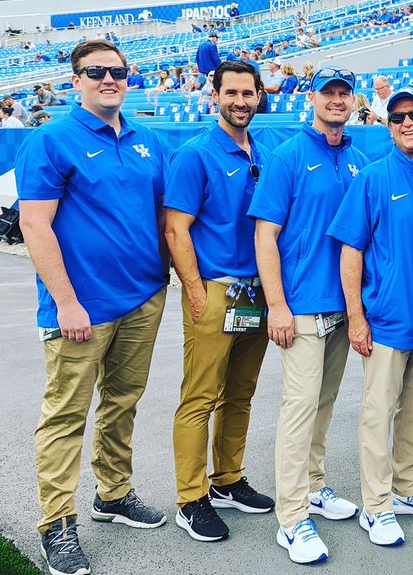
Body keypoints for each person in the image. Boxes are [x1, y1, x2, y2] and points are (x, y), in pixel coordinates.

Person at [15, 40, 169, 575]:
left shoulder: (148, 140)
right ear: (75, 80)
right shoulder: (52, 140)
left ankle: (113, 494)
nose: (110, 79)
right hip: (80, 308)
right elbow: (34, 224)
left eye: (119, 71)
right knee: (65, 415)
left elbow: (163, 217)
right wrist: (65, 302)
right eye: (97, 72)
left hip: (143, 296)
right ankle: (56, 526)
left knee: (123, 401)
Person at [327, 86, 413, 547]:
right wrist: (356, 316)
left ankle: (406, 488)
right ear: (388, 125)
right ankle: (376, 504)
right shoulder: (373, 177)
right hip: (386, 320)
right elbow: (350, 251)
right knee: (378, 414)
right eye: (398, 116)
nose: (408, 122)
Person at [249, 67, 369, 565]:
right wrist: (276, 304)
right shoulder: (288, 156)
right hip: (300, 306)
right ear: (313, 98)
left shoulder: (360, 159)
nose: (337, 100)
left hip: (344, 307)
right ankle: (292, 516)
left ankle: (315, 486)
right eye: (328, 92)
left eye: (345, 92)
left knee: (324, 403)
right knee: (299, 409)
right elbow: (265, 236)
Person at [163, 61, 274, 543]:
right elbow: (175, 228)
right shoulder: (196, 154)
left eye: (248, 93)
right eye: (231, 92)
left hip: (258, 291)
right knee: (200, 398)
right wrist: (192, 289)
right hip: (215, 289)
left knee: (240, 394)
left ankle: (227, 479)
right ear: (216, 96)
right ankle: (191, 498)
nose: (241, 101)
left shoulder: (264, 152)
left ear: (259, 97)